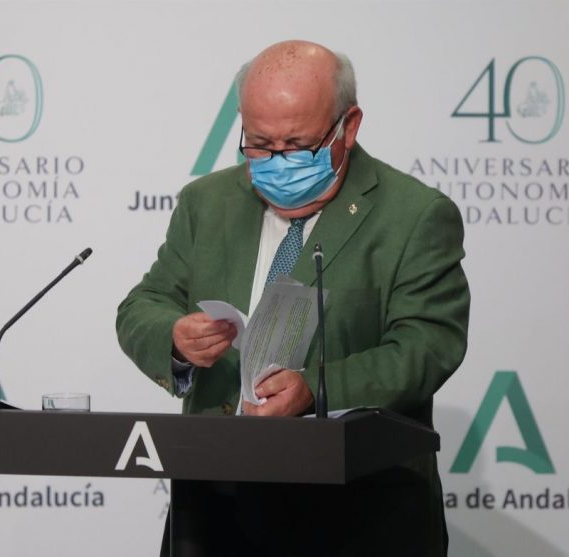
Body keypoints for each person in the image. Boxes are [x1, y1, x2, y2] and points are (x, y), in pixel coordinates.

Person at [117, 40, 470, 556]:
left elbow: (428, 346)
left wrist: (315, 391)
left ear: (348, 126)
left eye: (297, 145)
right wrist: (175, 339)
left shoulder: (414, 215)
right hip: (215, 508)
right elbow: (143, 305)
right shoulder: (206, 203)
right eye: (260, 145)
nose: (278, 161)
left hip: (360, 512)